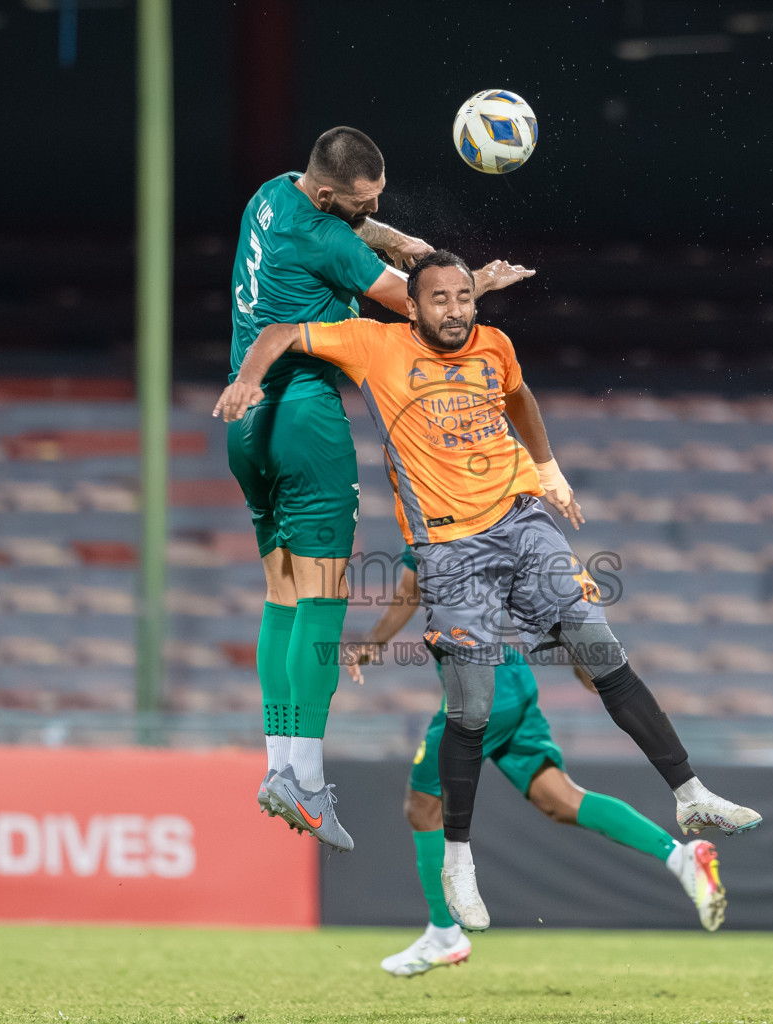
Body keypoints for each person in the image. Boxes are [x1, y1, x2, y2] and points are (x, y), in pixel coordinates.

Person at [215, 250, 761, 930]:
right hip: (449, 547)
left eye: (463, 298)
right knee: (544, 784)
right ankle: (464, 868)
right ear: (408, 307)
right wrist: (247, 380)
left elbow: (520, 398)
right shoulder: (372, 342)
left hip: (522, 518)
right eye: (439, 300)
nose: (454, 311)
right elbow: (281, 334)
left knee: (595, 654)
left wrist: (549, 470)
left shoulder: (494, 346)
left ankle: (688, 794)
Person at [228, 127, 533, 851]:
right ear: (330, 195)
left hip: (247, 426)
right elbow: (419, 308)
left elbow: (363, 233)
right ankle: (303, 778)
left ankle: (278, 770)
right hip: (305, 420)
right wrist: (470, 286)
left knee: (282, 596)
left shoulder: (271, 194)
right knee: (326, 603)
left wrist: (394, 237)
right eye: (362, 202)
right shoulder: (331, 244)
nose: (372, 209)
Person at [348, 545, 729, 976]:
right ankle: (681, 858)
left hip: (483, 684)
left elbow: (411, 595)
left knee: (422, 806)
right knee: (559, 799)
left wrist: (371, 644)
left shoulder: (439, 527)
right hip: (512, 678)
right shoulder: (450, 523)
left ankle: (443, 934)